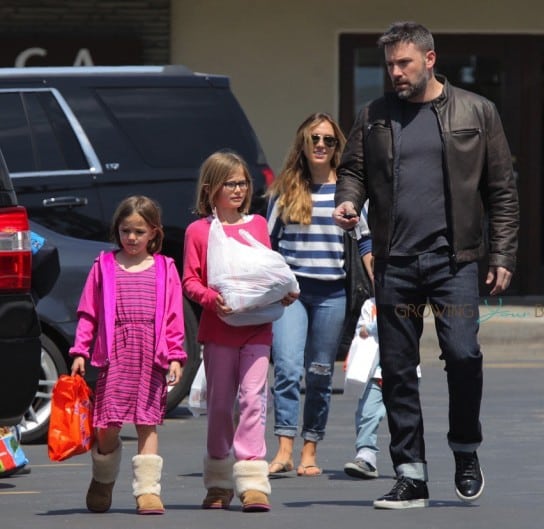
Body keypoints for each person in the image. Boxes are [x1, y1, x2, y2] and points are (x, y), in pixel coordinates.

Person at [334, 21, 519, 509]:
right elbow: (352, 169)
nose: (395, 72)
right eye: (390, 64)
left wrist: (501, 254)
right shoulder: (373, 116)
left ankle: (464, 447)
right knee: (396, 367)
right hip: (394, 263)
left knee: (463, 354)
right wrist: (349, 200)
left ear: (430, 60)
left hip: (452, 262)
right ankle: (411, 475)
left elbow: (501, 190)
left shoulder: (477, 111)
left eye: (404, 63)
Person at [182, 151, 296, 513]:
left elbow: (266, 275)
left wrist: (284, 292)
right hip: (219, 329)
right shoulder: (198, 231)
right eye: (230, 183)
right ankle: (218, 481)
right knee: (219, 406)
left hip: (257, 328)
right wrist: (213, 300)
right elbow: (190, 280)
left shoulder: (257, 225)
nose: (238, 189)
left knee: (253, 400)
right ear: (210, 188)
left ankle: (251, 483)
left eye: (243, 182)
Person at [266, 112, 372, 477]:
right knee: (288, 368)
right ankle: (283, 448)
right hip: (292, 294)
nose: (321, 145)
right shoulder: (285, 191)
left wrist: (376, 289)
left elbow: (365, 241)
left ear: (337, 146)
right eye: (314, 139)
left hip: (333, 294)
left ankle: (310, 450)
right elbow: (269, 246)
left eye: (328, 140)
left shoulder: (350, 190)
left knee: (320, 372)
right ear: (303, 144)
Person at [70, 195, 186, 515]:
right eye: (125, 231)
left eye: (139, 231)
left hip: (150, 353)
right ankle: (103, 479)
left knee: (147, 423)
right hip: (115, 354)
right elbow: (89, 313)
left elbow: (174, 316)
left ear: (154, 233)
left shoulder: (165, 268)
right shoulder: (104, 266)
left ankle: (148, 491)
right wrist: (80, 350)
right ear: (117, 231)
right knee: (107, 425)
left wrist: (175, 355)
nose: (131, 238)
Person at [343, 292, 421, 480]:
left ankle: (407, 461)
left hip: (403, 370)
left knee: (404, 417)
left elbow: (395, 325)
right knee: (367, 413)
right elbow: (360, 332)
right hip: (373, 371)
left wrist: (370, 328)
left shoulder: (411, 301)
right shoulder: (369, 304)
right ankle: (366, 456)